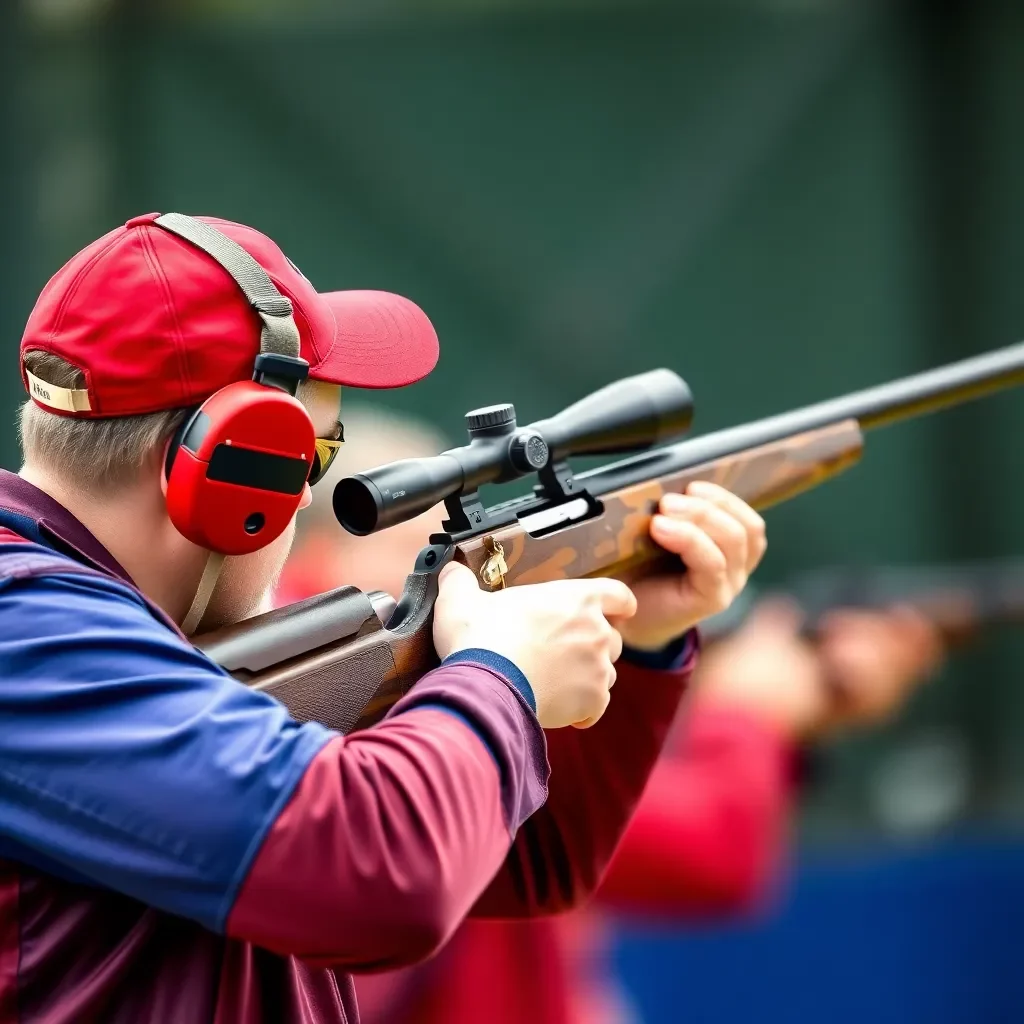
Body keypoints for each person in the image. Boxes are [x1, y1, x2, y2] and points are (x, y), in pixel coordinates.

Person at [0, 213, 768, 1024]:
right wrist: (496, 675)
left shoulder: (92, 636)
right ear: (235, 472)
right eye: (315, 459)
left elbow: (525, 862)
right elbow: (382, 877)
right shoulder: (30, 636)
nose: (307, 499)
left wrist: (635, 631)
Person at [275, 404, 944, 1024]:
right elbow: (703, 854)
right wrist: (749, 715)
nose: (463, 581)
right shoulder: (343, 706)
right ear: (318, 559)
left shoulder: (382, 692)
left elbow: (567, 847)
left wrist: (651, 643)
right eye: (421, 556)